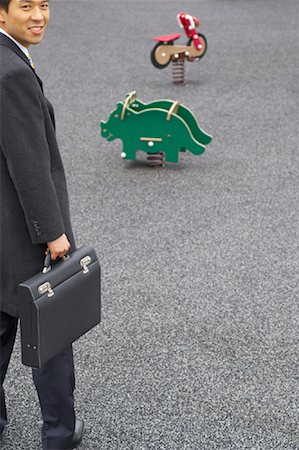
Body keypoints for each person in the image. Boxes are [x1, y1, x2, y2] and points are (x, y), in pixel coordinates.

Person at [0, 0, 84, 448]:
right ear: (1, 13)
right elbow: (30, 165)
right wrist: (53, 234)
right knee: (51, 331)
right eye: (26, 5)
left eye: (44, 4)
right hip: (20, 230)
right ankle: (60, 431)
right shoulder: (12, 73)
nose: (39, 15)